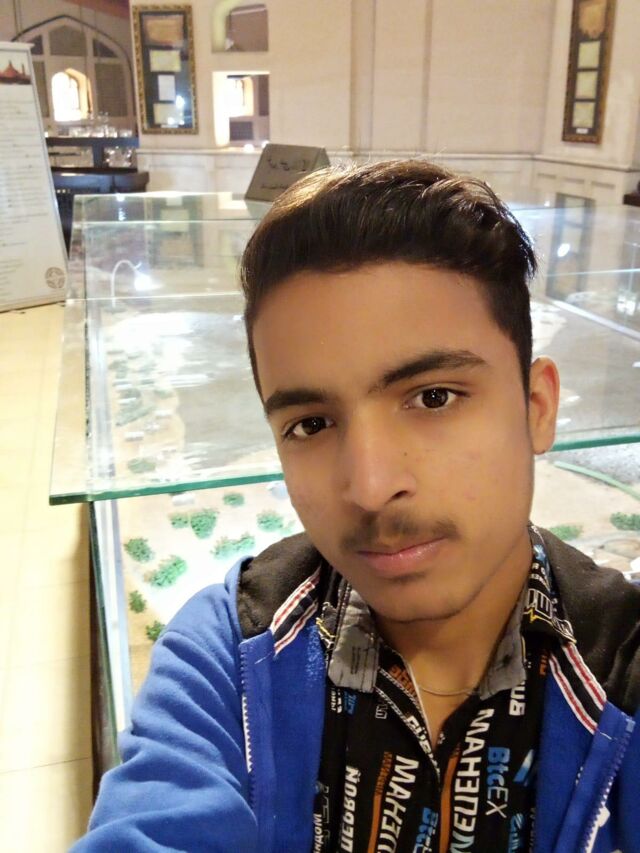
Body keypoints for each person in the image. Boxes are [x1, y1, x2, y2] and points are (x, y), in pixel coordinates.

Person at [72, 161, 640, 853]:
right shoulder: (228, 656)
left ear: (536, 406)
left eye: (433, 397)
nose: (369, 487)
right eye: (311, 424)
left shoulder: (623, 667)